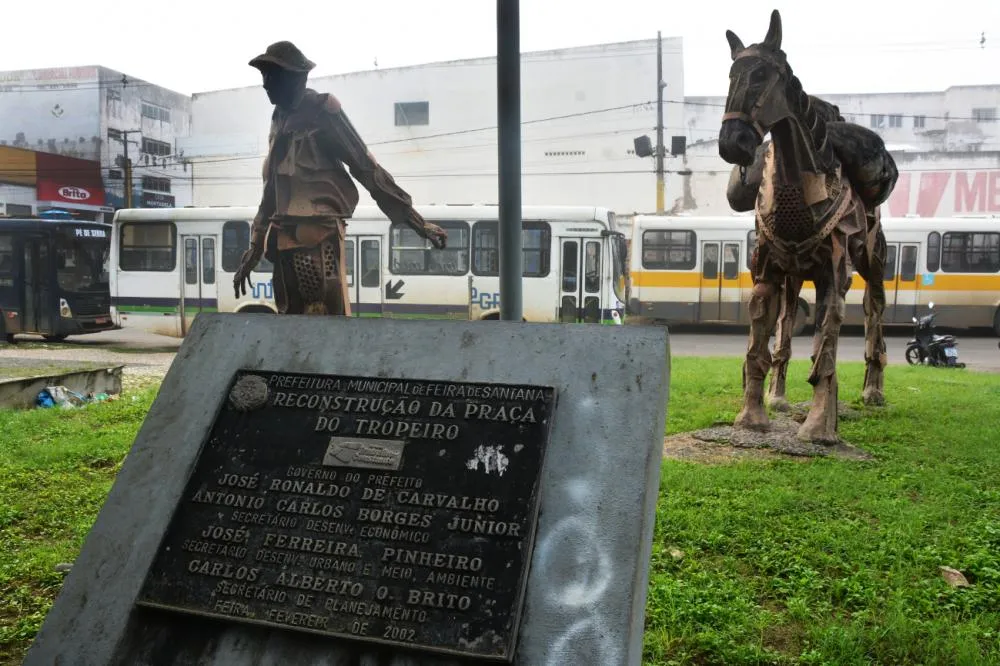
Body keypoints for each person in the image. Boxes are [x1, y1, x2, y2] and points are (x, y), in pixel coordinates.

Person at [234, 41, 447, 315]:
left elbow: (366, 167)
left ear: (295, 77)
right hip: (283, 235)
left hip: (317, 233)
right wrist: (255, 246)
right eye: (264, 75)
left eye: (272, 75)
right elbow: (271, 189)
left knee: (322, 310)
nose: (265, 83)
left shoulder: (323, 110)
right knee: (289, 315)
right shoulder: (279, 118)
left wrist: (417, 222)